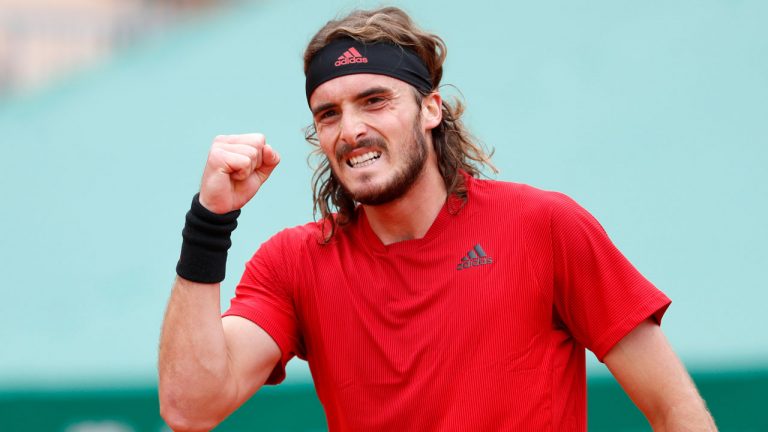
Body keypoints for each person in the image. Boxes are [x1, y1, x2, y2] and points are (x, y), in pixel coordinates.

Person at [158, 6, 717, 432]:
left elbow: (675, 409)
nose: (350, 129)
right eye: (329, 113)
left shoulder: (544, 226)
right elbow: (190, 405)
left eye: (374, 100)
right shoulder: (294, 263)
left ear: (431, 109)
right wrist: (209, 221)